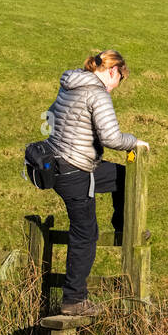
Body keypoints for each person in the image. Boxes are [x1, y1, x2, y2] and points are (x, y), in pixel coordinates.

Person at [44, 49, 148, 316]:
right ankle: (74, 300)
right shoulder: (98, 92)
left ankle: (127, 229)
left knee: (122, 177)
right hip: (74, 171)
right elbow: (111, 137)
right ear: (114, 71)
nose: (116, 88)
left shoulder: (71, 83)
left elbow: (51, 116)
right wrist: (134, 142)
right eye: (119, 81)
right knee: (85, 234)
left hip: (62, 163)